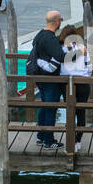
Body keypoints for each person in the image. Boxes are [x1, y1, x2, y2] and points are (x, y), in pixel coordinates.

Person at [29, 10, 67, 148]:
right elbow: (61, 56)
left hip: (40, 77)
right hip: (50, 79)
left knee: (45, 106)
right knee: (51, 108)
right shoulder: (50, 38)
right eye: (60, 20)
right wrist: (78, 53)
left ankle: (41, 136)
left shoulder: (39, 35)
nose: (60, 23)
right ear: (57, 22)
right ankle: (49, 141)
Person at [59, 24, 91, 145]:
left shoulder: (61, 48)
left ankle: (70, 138)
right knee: (81, 111)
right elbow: (88, 65)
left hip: (66, 83)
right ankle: (77, 140)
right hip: (82, 81)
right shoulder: (82, 47)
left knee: (70, 110)